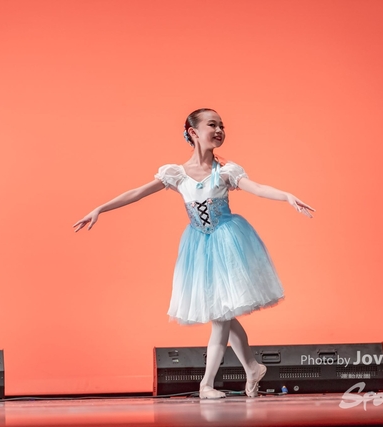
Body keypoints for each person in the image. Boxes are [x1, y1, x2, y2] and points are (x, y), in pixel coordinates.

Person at [73, 108, 315, 399]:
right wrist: (100, 208)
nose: (219, 130)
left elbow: (258, 188)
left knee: (221, 315)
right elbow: (137, 192)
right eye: (212, 125)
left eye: (222, 125)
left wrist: (286, 196)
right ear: (193, 132)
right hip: (199, 248)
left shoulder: (225, 172)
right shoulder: (176, 174)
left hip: (227, 243)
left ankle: (207, 384)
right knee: (223, 314)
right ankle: (252, 368)